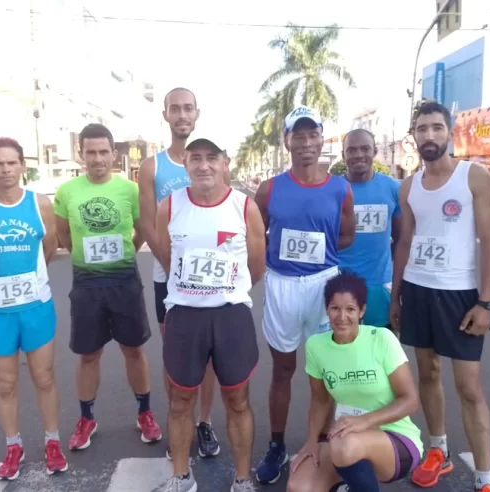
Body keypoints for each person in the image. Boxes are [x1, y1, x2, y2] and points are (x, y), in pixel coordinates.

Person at [389, 101, 490, 492]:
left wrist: (486, 302)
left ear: (449, 132)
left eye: (437, 127)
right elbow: (404, 242)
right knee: (428, 373)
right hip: (418, 289)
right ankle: (438, 451)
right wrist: (395, 297)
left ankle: (485, 477)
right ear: (413, 136)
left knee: (469, 387)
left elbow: (489, 243)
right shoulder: (409, 185)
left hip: (460, 293)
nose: (429, 135)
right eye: (422, 129)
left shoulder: (474, 177)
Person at [153, 136, 265, 492]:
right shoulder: (169, 207)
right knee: (180, 399)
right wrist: (193, 290)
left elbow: (257, 265)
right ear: (185, 164)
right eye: (196, 158)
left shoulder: (244, 206)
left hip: (230, 315)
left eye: (211, 158)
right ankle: (182, 477)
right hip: (185, 316)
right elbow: (169, 260)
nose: (204, 165)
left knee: (238, 399)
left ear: (224, 162)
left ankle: (243, 478)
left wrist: (226, 291)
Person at [253, 106, 356, 485]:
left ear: (321, 140)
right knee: (283, 370)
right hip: (281, 284)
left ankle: (323, 444)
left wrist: (320, 255)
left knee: (326, 373)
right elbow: (256, 232)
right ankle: (277, 445)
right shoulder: (271, 188)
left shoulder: (339, 188)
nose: (307, 142)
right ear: (287, 141)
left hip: (322, 285)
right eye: (299, 135)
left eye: (313, 135)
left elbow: (346, 235)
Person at [0, 137, 68, 479]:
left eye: (11, 162)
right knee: (5, 383)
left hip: (36, 307)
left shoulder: (40, 204)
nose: (5, 169)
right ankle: (13, 445)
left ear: (22, 165)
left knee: (44, 377)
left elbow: (48, 249)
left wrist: (28, 284)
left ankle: (52, 441)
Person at [54, 123, 162, 452]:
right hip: (87, 284)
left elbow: (142, 230)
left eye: (103, 152)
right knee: (89, 354)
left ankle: (145, 412)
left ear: (114, 154)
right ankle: (87, 418)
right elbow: (64, 236)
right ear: (80, 154)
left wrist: (126, 248)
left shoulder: (129, 190)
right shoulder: (67, 191)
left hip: (124, 280)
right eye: (91, 152)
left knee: (133, 350)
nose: (97, 158)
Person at [137, 87, 221, 460]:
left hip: (209, 279)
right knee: (176, 354)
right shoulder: (152, 167)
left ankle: (203, 423)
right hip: (167, 279)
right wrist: (172, 266)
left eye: (188, 108)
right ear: (166, 115)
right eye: (176, 109)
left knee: (208, 358)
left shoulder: (212, 159)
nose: (182, 115)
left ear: (197, 114)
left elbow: (223, 213)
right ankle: (179, 421)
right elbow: (147, 222)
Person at [287, 272, 422, 492]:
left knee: (343, 445)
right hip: (346, 437)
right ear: (326, 309)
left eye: (350, 309)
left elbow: (411, 400)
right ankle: (346, 483)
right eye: (335, 308)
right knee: (298, 487)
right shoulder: (315, 346)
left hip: (395, 440)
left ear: (362, 311)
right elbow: (320, 400)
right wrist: (312, 441)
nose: (342, 317)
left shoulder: (381, 339)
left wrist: (364, 421)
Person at [339, 129, 401, 328]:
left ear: (375, 151)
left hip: (380, 285)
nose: (358, 154)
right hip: (340, 285)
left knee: (383, 351)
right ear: (343, 155)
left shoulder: (392, 188)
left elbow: (401, 239)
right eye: (351, 150)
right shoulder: (332, 189)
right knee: (342, 352)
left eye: (365, 148)